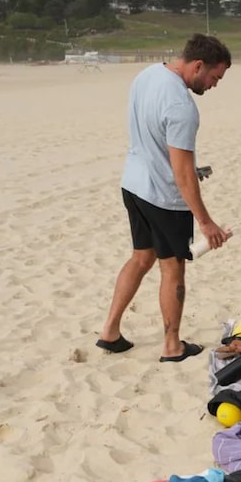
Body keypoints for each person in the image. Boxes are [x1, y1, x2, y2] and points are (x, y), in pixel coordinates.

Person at [96, 34, 232, 363]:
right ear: (198, 66)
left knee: (140, 258)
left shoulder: (148, 74)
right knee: (172, 269)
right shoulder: (183, 107)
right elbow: (182, 176)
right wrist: (206, 222)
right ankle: (172, 345)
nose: (215, 85)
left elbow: (153, 135)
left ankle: (110, 332)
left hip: (133, 185)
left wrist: (187, 169)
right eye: (215, 77)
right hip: (163, 197)